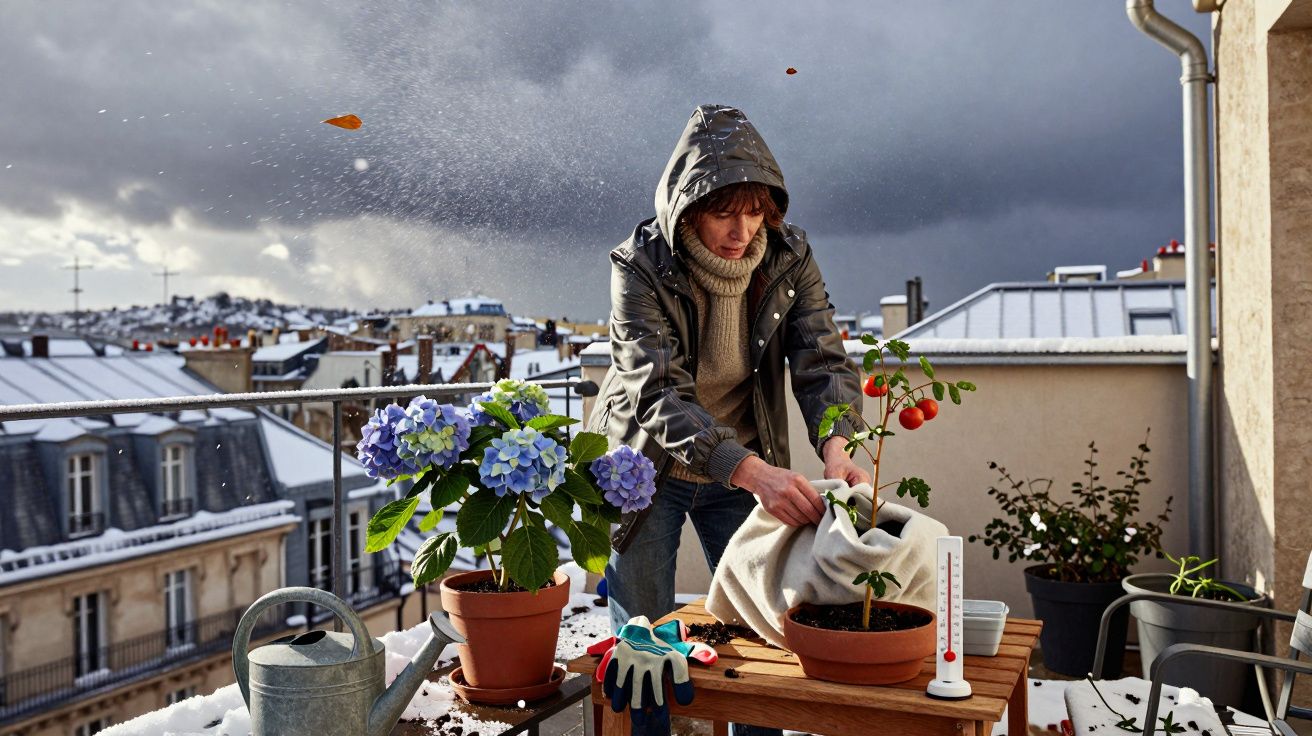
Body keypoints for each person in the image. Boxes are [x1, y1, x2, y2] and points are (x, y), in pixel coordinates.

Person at [591, 101, 869, 650]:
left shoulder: (790, 256)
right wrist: (751, 472)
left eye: (754, 213)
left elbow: (823, 358)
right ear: (689, 209)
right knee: (642, 645)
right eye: (723, 214)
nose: (741, 232)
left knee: (760, 633)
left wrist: (838, 445)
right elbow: (656, 391)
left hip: (745, 462)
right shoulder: (638, 266)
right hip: (647, 466)